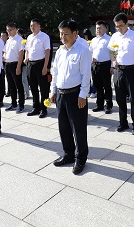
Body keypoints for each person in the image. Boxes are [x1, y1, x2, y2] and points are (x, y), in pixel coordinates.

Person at [49, 19, 92, 175]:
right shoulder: (60, 51)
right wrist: (53, 90)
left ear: (75, 33)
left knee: (78, 128)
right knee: (64, 127)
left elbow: (86, 75)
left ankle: (81, 158)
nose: (63, 37)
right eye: (61, 34)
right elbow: (55, 72)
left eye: (66, 34)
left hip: (76, 95)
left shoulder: (83, 51)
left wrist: (83, 95)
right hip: (61, 94)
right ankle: (68, 154)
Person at [109, 13, 134, 135]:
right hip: (118, 70)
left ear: (127, 24)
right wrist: (113, 61)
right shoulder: (114, 36)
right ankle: (123, 122)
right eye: (117, 26)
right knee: (120, 99)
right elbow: (111, 51)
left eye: (121, 26)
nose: (119, 28)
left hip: (131, 70)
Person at [25, 19, 51, 118]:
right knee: (33, 87)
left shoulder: (44, 36)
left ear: (39, 26)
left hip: (41, 63)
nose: (32, 27)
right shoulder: (29, 37)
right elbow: (27, 50)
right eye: (31, 25)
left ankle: (44, 109)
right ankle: (36, 107)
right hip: (31, 64)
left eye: (34, 25)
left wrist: (45, 67)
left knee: (43, 88)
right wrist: (26, 58)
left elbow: (47, 52)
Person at [90, 21, 114, 114]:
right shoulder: (94, 40)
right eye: (97, 28)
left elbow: (113, 53)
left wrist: (112, 66)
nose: (98, 30)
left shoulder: (109, 39)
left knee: (107, 86)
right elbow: (90, 51)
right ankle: (99, 104)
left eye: (100, 28)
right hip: (95, 65)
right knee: (98, 86)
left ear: (105, 28)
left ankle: (108, 105)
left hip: (105, 65)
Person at [4, 22, 26, 113]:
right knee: (11, 85)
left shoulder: (19, 39)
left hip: (15, 64)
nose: (8, 32)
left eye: (10, 30)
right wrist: (4, 57)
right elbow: (5, 51)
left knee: (18, 85)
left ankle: (21, 104)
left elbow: (21, 53)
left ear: (15, 29)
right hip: (7, 64)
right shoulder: (8, 40)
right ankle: (13, 103)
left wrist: (18, 66)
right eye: (7, 30)